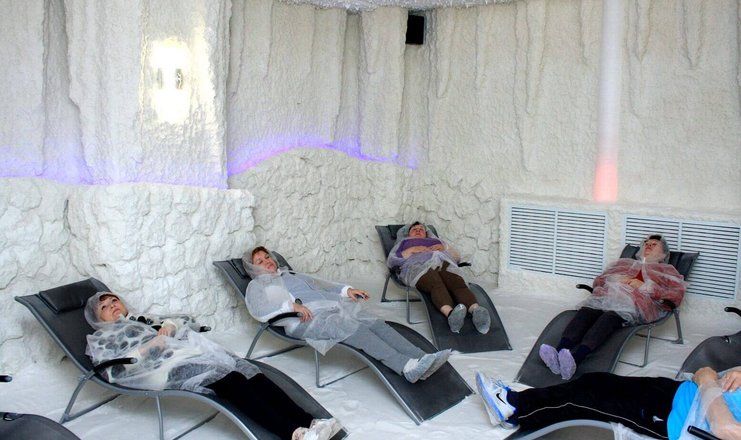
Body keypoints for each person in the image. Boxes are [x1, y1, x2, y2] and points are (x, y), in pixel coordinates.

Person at [84, 291, 340, 440]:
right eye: (104, 307)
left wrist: (169, 327)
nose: (112, 306)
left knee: (250, 373)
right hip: (162, 370)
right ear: (98, 319)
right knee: (231, 380)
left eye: (114, 300)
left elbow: (185, 319)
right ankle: (293, 432)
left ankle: (310, 422)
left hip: (190, 356)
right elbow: (112, 369)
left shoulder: (145, 318)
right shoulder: (104, 337)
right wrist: (150, 347)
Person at [243, 246, 451, 383]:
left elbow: (321, 288)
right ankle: (406, 367)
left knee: (376, 324)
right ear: (253, 268)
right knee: (357, 330)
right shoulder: (258, 285)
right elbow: (259, 310)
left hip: (329, 310)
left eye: (267, 256)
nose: (267, 260)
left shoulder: (290, 275)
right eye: (259, 261)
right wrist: (291, 307)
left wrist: (346, 291)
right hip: (305, 320)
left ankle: (420, 356)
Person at [539, 234, 688, 380]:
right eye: (646, 244)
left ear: (663, 254)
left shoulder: (667, 271)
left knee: (608, 318)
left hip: (635, 304)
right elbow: (598, 281)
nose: (648, 246)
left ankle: (576, 359)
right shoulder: (624, 264)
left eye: (654, 245)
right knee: (587, 312)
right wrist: (614, 279)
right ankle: (558, 351)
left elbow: (676, 295)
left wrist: (647, 286)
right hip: (606, 298)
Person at [475, 366, 741, 440]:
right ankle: (520, 403)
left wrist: (708, 381)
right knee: (596, 379)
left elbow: (726, 429)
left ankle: (513, 408)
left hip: (675, 420)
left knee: (585, 402)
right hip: (682, 392)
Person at [386, 222, 492, 334]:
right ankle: (451, 315)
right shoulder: (404, 242)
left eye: (421, 229)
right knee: (435, 282)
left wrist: (444, 247)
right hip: (418, 267)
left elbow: (457, 258)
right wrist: (411, 250)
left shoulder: (436, 241)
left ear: (426, 233)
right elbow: (392, 261)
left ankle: (476, 311)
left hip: (443, 264)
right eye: (414, 229)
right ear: (408, 233)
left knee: (456, 282)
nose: (418, 230)